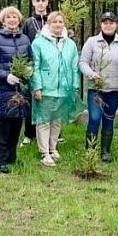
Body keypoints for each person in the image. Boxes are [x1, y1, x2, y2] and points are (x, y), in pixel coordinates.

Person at [0, 7, 32, 173]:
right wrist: (5, 76)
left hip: (20, 90)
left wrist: (28, 70)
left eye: (15, 17)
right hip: (2, 90)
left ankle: (11, 156)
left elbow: (30, 59)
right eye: (8, 17)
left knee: (16, 124)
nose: (12, 20)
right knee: (2, 127)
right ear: (3, 21)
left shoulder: (25, 39)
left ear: (19, 20)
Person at [30, 11, 81, 166]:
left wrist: (74, 86)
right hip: (46, 88)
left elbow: (74, 67)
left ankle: (53, 148)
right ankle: (44, 152)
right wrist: (37, 86)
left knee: (57, 121)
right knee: (44, 120)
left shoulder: (70, 44)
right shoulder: (38, 42)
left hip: (63, 89)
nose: (58, 25)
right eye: (54, 22)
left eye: (60, 22)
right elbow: (35, 66)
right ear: (48, 24)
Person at [79, 11, 118, 161]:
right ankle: (90, 151)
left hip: (114, 89)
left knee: (109, 119)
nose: (108, 25)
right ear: (101, 24)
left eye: (111, 22)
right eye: (105, 22)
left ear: (116, 25)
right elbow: (82, 62)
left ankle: (106, 152)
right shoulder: (92, 42)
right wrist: (91, 73)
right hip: (96, 89)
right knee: (94, 118)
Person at [21, 0, 50, 144]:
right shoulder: (28, 23)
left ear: (47, 2)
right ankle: (29, 133)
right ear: (33, 3)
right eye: (37, 0)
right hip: (33, 65)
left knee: (51, 99)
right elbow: (23, 42)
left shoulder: (52, 21)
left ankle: (55, 133)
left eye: (43, 0)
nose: (40, 3)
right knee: (30, 99)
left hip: (50, 67)